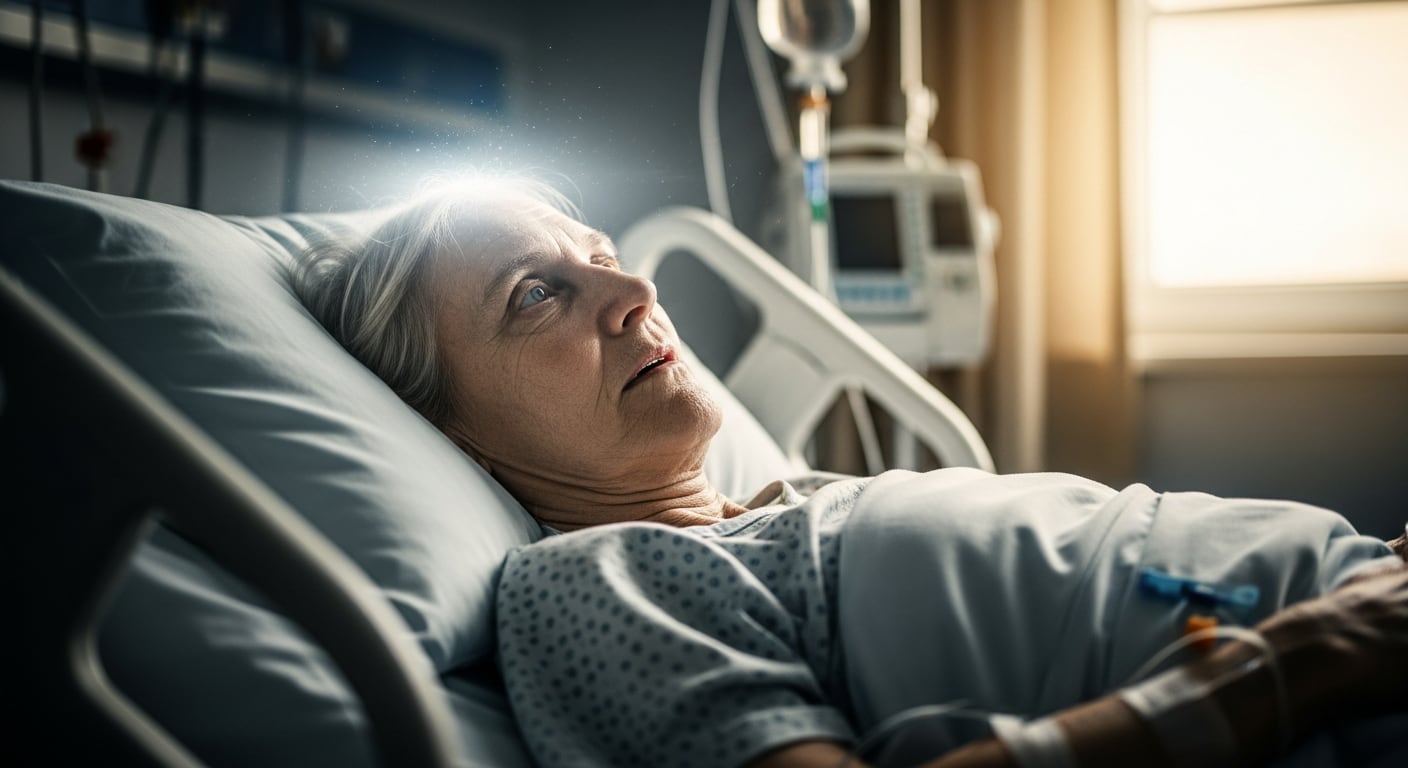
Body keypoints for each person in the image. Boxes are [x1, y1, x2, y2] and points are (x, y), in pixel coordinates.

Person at [294, 178, 1408, 768]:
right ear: (446, 426)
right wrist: (1308, 657)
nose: (631, 291)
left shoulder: (792, 510)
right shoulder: (593, 583)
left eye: (597, 260)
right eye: (534, 296)